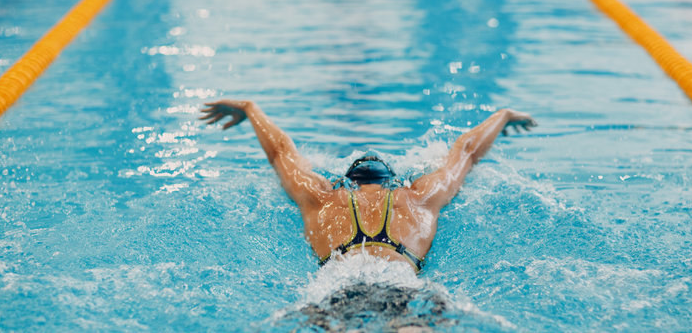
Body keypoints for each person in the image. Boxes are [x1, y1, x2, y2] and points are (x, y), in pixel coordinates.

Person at [200, 99, 536, 273]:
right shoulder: (418, 197)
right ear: (393, 181)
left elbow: (280, 152)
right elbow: (466, 152)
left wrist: (249, 108)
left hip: (337, 287)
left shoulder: (323, 198)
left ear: (347, 182)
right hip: (399, 287)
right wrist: (503, 115)